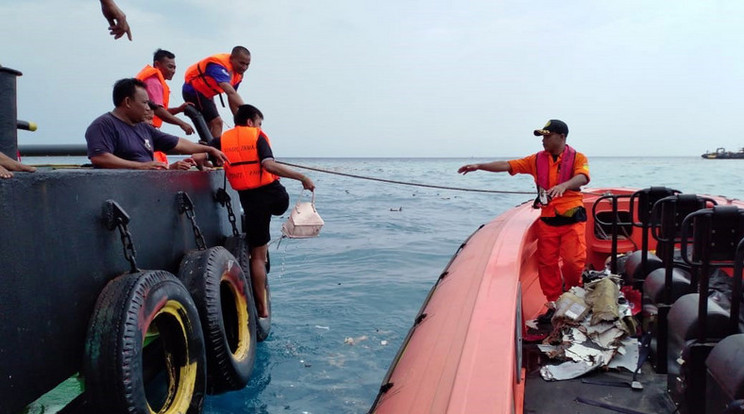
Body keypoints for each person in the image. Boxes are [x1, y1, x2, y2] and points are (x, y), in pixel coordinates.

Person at [458, 119, 590, 322]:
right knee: (547, 265)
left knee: (573, 261)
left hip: (572, 218)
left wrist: (564, 186)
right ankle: (554, 303)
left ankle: (574, 294)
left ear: (561, 137)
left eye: (547, 136)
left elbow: (582, 177)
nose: (543, 140)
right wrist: (479, 166)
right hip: (548, 220)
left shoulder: (578, 158)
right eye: (542, 137)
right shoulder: (536, 160)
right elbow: (508, 165)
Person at [212, 104, 315, 318]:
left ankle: (262, 308)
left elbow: (203, 155)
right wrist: (302, 177)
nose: (259, 126)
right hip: (272, 196)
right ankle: (268, 235)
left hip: (250, 200)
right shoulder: (257, 136)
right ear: (251, 122)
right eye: (259, 123)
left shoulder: (222, 141)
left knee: (257, 256)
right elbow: (268, 165)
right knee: (280, 204)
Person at [85, 78, 228, 170]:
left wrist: (209, 149)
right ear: (127, 102)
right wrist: (140, 166)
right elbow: (100, 157)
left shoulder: (144, 128)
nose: (148, 108)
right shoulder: (103, 125)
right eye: (145, 103)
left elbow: (178, 143)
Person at [182, 47, 251, 139]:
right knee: (217, 122)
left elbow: (232, 98)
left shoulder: (238, 74)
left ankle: (211, 147)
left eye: (247, 64)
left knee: (213, 124)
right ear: (232, 59)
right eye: (241, 63)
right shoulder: (217, 66)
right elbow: (230, 92)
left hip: (207, 95)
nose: (244, 67)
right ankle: (216, 150)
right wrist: (249, 113)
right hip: (193, 91)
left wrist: (239, 121)